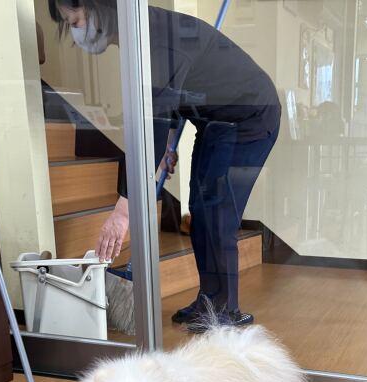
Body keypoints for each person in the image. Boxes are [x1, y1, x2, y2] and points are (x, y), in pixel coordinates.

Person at [48, 0, 281, 326]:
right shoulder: (138, 37)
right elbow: (167, 104)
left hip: (250, 117)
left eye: (76, 20)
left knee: (217, 211)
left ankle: (225, 311)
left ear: (99, 10)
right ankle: (209, 301)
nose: (76, 32)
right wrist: (170, 146)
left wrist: (123, 211)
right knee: (200, 209)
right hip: (214, 121)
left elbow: (150, 126)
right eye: (68, 23)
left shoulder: (154, 40)